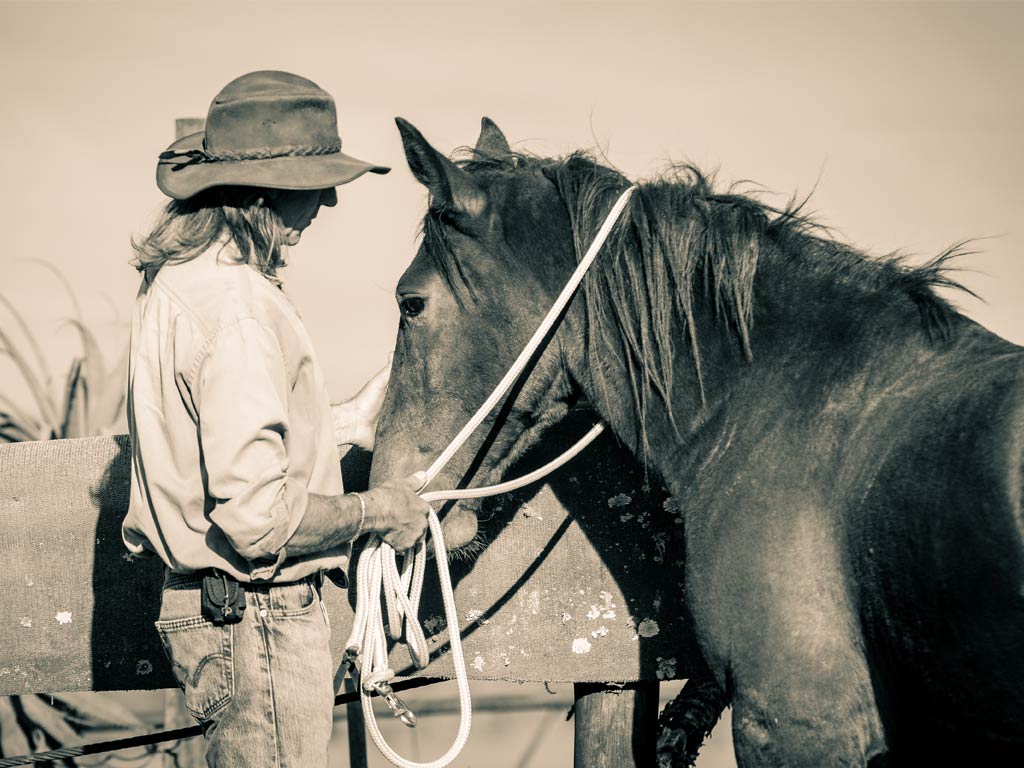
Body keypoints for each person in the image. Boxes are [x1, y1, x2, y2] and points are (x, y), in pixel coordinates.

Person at [122, 70, 430, 768]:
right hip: (256, 621)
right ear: (266, 191)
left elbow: (216, 442)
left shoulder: (177, 285)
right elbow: (258, 521)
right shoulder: (240, 310)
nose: (326, 199)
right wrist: (378, 510)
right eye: (315, 181)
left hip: (214, 616)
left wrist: (342, 423)